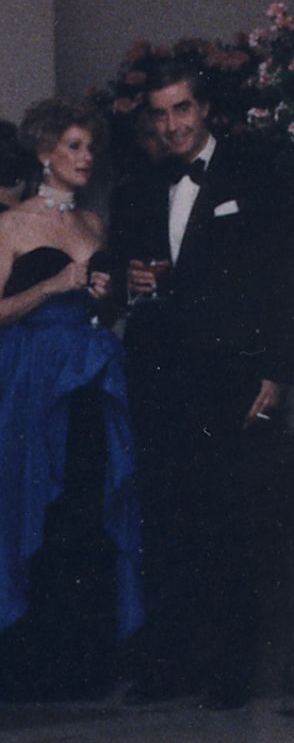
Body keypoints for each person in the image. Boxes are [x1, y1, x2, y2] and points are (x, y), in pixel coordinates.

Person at [113, 60, 294, 709]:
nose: (172, 125)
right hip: (160, 381)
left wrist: (278, 371)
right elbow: (115, 264)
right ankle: (170, 669)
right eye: (161, 114)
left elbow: (281, 279)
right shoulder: (138, 186)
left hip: (232, 381)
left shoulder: (253, 177)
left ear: (204, 110)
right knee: (167, 524)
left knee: (230, 527)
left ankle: (230, 675)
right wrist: (127, 281)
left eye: (182, 110)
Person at [0, 99, 140, 701]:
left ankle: (85, 662)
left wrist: (112, 292)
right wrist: (56, 284)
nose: (86, 158)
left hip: (92, 379)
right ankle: (30, 662)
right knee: (35, 503)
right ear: (43, 152)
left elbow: (104, 310)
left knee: (86, 505)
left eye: (90, 147)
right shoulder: (10, 224)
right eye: (73, 147)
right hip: (31, 378)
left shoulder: (94, 226)